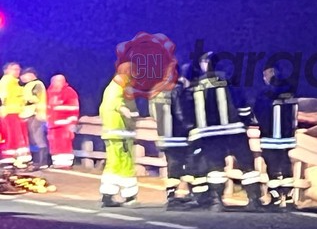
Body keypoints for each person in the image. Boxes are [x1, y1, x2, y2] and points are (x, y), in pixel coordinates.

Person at [187, 51, 262, 211]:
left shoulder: (196, 86)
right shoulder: (229, 81)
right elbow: (243, 106)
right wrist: (247, 120)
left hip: (209, 135)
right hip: (234, 131)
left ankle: (216, 201)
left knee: (215, 168)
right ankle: (254, 200)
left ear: (204, 65)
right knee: (247, 166)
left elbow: (190, 111)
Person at [250, 64, 298, 208]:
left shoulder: (265, 93)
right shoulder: (291, 90)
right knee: (286, 165)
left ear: (270, 73)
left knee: (272, 167)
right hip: (287, 137)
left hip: (270, 137)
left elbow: (258, 114)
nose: (264, 78)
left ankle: (275, 197)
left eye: (265, 75)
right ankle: (288, 197)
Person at [150, 63, 197, 209]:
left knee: (172, 166)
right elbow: (180, 112)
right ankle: (191, 193)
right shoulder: (177, 90)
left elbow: (153, 113)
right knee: (189, 164)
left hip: (164, 135)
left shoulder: (155, 90)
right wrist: (190, 126)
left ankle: (171, 195)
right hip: (179, 136)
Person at [99, 63, 139, 207]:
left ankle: (108, 194)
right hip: (120, 131)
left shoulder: (112, 87)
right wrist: (127, 112)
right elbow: (117, 103)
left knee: (114, 163)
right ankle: (129, 195)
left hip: (113, 131)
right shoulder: (120, 87)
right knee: (124, 164)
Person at [0, 62, 30, 167]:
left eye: (18, 69)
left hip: (16, 112)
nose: (17, 71)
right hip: (10, 112)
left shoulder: (15, 82)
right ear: (7, 70)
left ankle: (15, 159)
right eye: (14, 69)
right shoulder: (7, 81)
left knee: (16, 136)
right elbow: (3, 96)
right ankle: (11, 159)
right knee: (13, 136)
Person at [46, 75, 80, 168]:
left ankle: (65, 163)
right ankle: (57, 163)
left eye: (59, 81)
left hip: (65, 124)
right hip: (53, 124)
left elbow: (74, 108)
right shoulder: (50, 92)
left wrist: (71, 123)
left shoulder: (69, 92)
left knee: (64, 144)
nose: (56, 83)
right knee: (54, 144)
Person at [19, 68, 48, 169]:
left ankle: (42, 161)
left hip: (36, 113)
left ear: (31, 75)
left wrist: (22, 99)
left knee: (37, 137)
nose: (21, 78)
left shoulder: (37, 84)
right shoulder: (28, 85)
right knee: (32, 138)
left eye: (23, 75)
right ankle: (36, 160)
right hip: (29, 114)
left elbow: (35, 98)